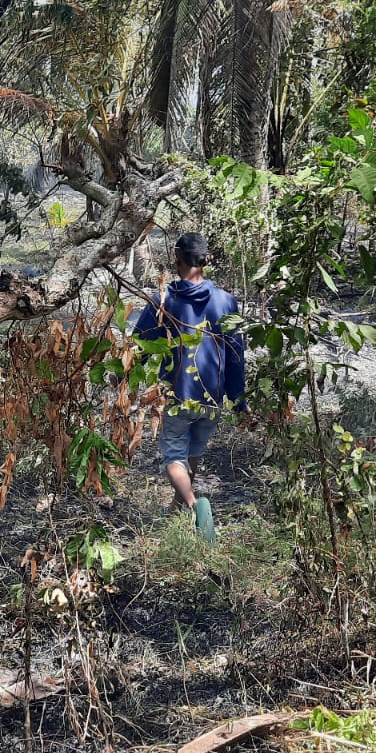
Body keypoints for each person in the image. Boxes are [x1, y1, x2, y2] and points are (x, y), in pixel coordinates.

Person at [132, 232, 246, 541]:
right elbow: (237, 354)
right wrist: (239, 398)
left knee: (173, 457)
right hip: (213, 396)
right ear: (206, 261)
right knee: (193, 452)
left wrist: (127, 378)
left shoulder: (164, 301)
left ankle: (196, 506)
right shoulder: (226, 301)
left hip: (179, 394)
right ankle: (177, 505)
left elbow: (141, 345)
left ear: (176, 261)